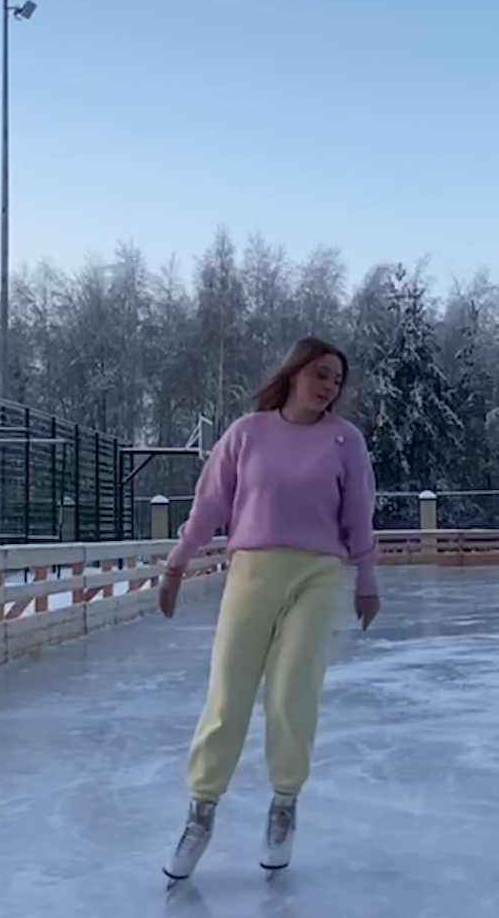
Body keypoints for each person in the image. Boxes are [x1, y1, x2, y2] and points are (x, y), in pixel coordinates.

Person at [157, 336, 383, 880]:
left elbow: (359, 513)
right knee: (228, 694)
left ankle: (284, 805)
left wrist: (368, 580)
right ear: (294, 372)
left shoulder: (344, 441)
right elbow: (208, 506)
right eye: (321, 373)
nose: (328, 386)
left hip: (318, 575)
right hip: (252, 572)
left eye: (336, 379)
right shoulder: (246, 434)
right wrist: (176, 564)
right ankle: (200, 812)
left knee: (293, 692)